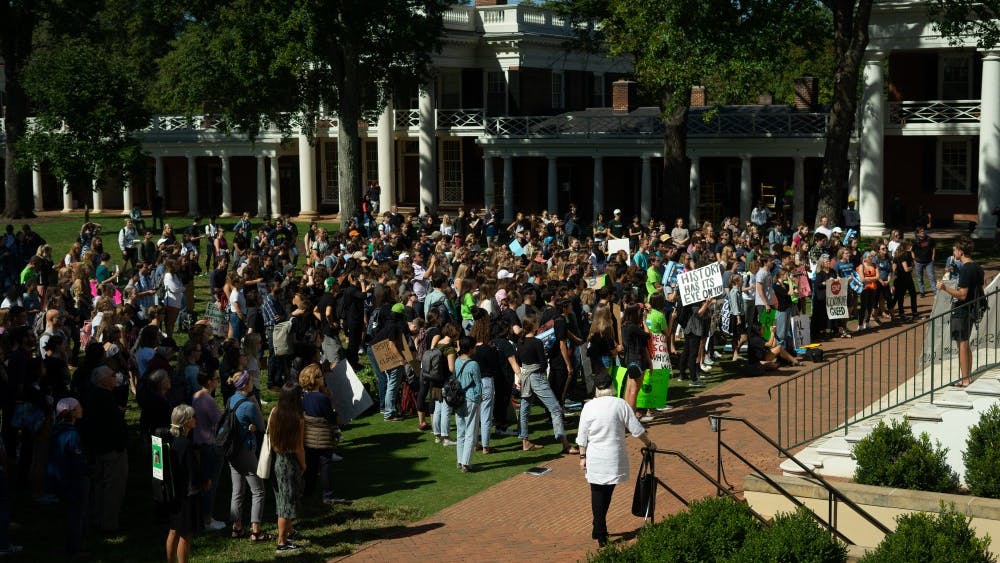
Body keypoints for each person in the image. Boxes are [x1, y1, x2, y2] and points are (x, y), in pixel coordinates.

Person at [576, 373, 656, 548]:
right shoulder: (620, 404)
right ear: (612, 386)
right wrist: (649, 443)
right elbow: (636, 429)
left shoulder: (588, 407)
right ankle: (599, 527)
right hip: (613, 456)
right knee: (606, 493)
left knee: (597, 493)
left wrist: (582, 457)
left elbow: (582, 436)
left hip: (595, 457)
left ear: (597, 388)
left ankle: (599, 527)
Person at [516, 317, 579, 454]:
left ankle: (524, 440)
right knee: (555, 408)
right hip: (537, 378)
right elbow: (543, 363)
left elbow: (519, 361)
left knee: (524, 410)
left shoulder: (520, 342)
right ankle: (564, 443)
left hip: (526, 377)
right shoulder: (537, 342)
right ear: (534, 326)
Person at [226, 371, 269, 542]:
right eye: (250, 381)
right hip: (246, 450)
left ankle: (236, 527)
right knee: (258, 491)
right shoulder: (249, 404)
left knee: (237, 490)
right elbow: (261, 425)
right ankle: (256, 531)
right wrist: (255, 405)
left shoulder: (231, 400)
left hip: (231, 451)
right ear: (245, 385)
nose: (253, 383)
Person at [937, 237, 984, 387]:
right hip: (973, 308)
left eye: (955, 250)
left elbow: (963, 294)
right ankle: (967, 376)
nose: (953, 252)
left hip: (963, 310)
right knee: (965, 343)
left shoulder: (965, 269)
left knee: (962, 343)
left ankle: (965, 379)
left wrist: (944, 288)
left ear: (961, 251)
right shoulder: (977, 267)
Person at [267, 383, 306, 553]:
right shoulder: (298, 418)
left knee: (282, 500)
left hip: (278, 460)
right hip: (290, 462)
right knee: (286, 505)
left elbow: (269, 433)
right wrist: (303, 464)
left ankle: (287, 533)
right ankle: (281, 542)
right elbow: (299, 446)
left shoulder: (274, 412)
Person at [47, 398, 87, 558]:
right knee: (75, 515)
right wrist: (86, 470)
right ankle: (74, 548)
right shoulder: (72, 435)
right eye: (79, 407)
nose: (82, 409)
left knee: (68, 513)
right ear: (73, 413)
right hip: (72, 481)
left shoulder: (56, 430)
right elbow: (77, 462)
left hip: (57, 478)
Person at [165, 405, 204, 563]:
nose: (195, 419)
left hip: (174, 494)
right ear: (187, 422)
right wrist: (203, 482)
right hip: (186, 496)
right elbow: (192, 473)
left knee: (173, 530)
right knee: (185, 534)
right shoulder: (186, 445)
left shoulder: (172, 441)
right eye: (193, 417)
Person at [299, 363, 344, 504]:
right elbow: (330, 418)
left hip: (309, 437)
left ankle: (308, 492)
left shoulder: (304, 398)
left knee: (311, 467)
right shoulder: (322, 398)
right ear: (317, 379)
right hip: (323, 437)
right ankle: (327, 495)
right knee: (324, 467)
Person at [192, 370, 226, 531]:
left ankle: (201, 516)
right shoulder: (208, 400)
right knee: (210, 483)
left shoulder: (196, 396)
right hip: (209, 443)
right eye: (217, 379)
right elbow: (219, 421)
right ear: (210, 381)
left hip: (198, 442)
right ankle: (207, 519)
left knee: (202, 483)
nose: (218, 382)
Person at [453, 336, 483, 472]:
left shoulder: (457, 361)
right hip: (470, 399)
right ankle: (466, 462)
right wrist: (479, 397)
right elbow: (478, 384)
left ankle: (460, 460)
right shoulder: (473, 365)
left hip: (458, 399)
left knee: (461, 431)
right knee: (471, 431)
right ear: (470, 349)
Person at [913, 226, 936, 296]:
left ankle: (935, 292)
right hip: (918, 262)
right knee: (920, 278)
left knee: (931, 277)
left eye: (923, 231)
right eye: (921, 232)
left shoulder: (929, 239)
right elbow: (912, 250)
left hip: (929, 262)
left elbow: (933, 247)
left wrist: (933, 256)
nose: (923, 232)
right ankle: (922, 292)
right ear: (917, 234)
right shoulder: (916, 241)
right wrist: (914, 259)